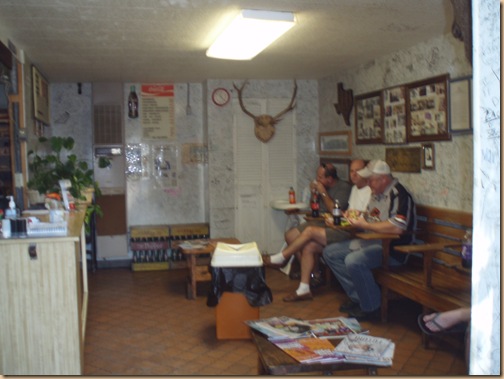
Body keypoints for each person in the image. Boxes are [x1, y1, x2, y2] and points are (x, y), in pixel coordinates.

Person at [323, 159, 416, 320]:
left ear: (383, 179)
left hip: (392, 249)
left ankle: (372, 307)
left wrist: (366, 224)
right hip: (370, 241)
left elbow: (398, 226)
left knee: (354, 260)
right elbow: (369, 218)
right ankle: (360, 297)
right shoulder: (376, 193)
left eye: (370, 179)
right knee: (330, 253)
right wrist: (349, 218)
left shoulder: (399, 194)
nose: (368, 183)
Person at [263, 162, 358, 302]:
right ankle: (311, 276)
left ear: (330, 179)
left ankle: (284, 259)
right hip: (321, 221)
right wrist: (314, 193)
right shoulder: (323, 187)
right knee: (290, 235)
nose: (317, 179)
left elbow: (334, 211)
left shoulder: (343, 188)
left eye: (320, 177)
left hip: (337, 227)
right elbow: (316, 208)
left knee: (309, 233)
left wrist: (322, 192)